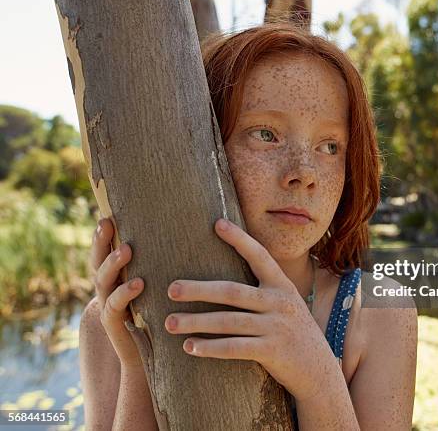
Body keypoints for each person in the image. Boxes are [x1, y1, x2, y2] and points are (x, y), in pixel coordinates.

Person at [79, 23, 417, 430]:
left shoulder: (377, 313)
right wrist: (138, 361)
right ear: (202, 146)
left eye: (330, 147)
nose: (303, 174)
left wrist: (319, 379)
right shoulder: (111, 318)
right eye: (266, 135)